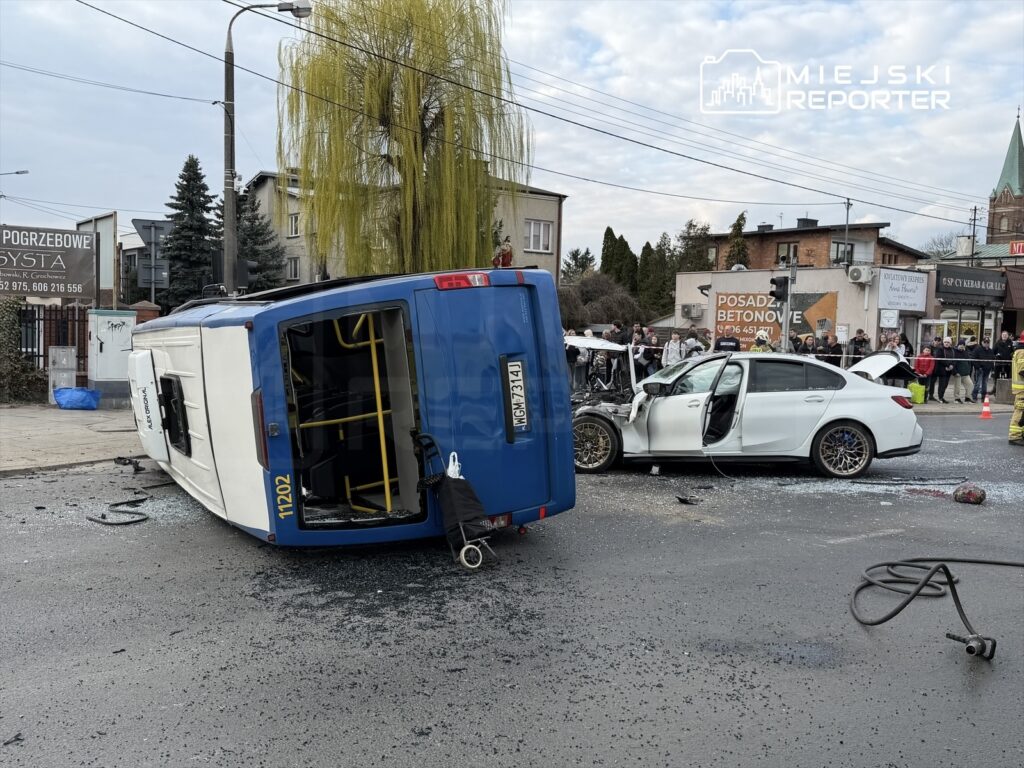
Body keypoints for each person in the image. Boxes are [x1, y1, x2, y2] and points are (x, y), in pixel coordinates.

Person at [1009, 332, 1024, 446]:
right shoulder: (1022, 352)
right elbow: (1022, 370)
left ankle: (1020, 434)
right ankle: (1014, 436)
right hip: (1022, 389)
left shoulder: (1019, 351)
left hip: (1021, 388)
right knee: (1020, 411)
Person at [933, 336, 956, 403]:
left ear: (950, 343)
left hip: (949, 370)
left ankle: (942, 396)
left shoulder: (952, 350)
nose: (946, 343)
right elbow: (940, 359)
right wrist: (948, 365)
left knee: (945, 384)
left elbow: (954, 359)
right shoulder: (940, 349)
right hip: (942, 369)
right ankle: (940, 397)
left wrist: (952, 365)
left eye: (948, 342)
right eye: (945, 342)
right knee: (942, 384)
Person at [970, 337, 994, 402]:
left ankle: (983, 397)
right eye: (985, 342)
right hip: (980, 369)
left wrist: (992, 369)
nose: (986, 343)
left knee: (985, 384)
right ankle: (974, 396)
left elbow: (992, 360)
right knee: (977, 383)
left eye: (987, 342)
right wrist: (978, 367)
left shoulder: (991, 351)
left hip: (987, 370)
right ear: (982, 342)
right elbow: (973, 359)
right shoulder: (977, 349)